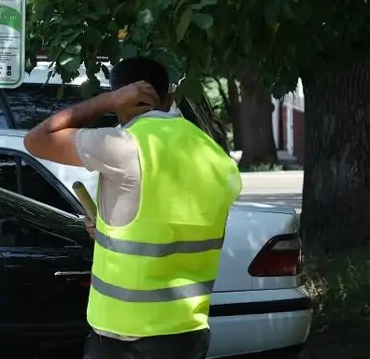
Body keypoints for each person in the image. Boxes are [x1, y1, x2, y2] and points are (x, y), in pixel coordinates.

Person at [23, 57, 242, 359]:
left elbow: (36, 140)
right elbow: (169, 228)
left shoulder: (125, 144)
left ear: (120, 98)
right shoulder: (216, 157)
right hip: (187, 334)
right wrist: (107, 230)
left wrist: (105, 101)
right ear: (170, 97)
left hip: (125, 338)